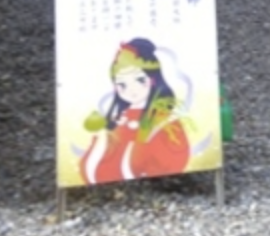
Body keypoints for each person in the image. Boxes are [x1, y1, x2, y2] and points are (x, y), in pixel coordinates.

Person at [80, 38, 191, 185]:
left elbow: (176, 154)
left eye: (139, 80)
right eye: (122, 85)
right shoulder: (119, 118)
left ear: (153, 80)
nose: (132, 90)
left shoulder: (163, 118)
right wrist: (105, 137)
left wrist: (142, 145)